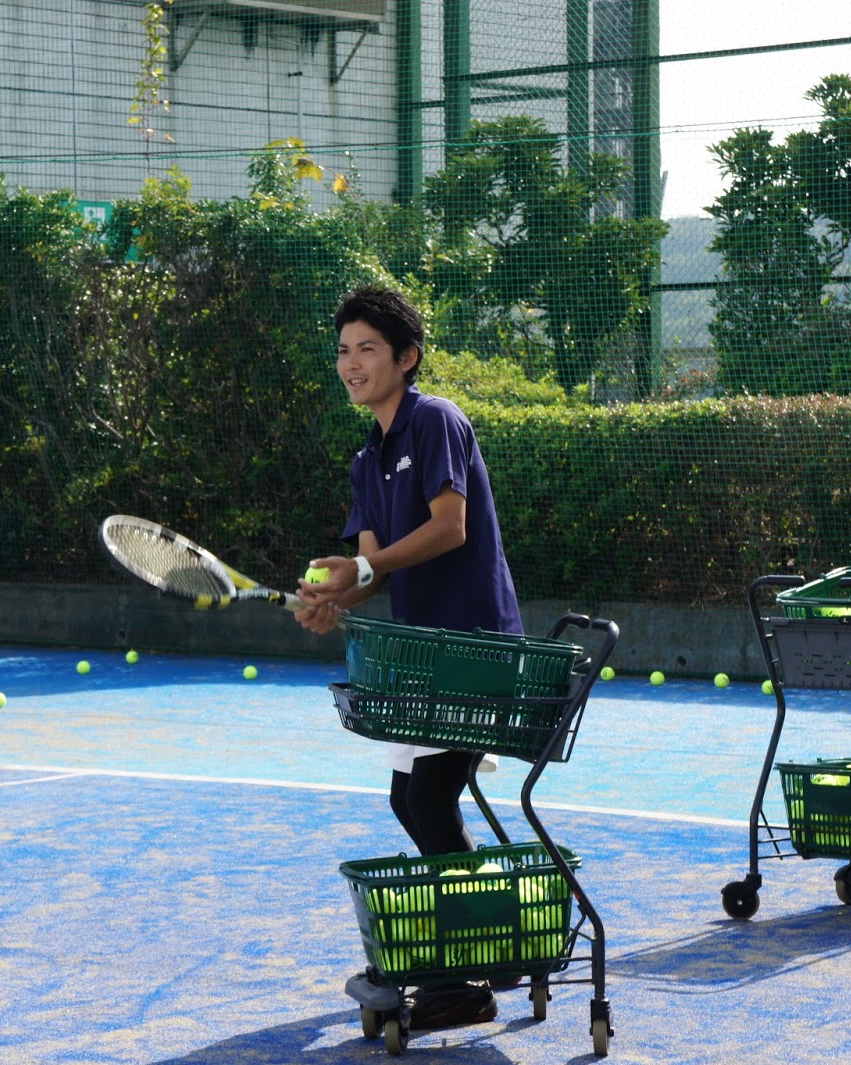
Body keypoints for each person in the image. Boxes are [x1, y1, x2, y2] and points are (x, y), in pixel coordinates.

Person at [297, 283, 523, 1028]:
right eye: (342, 350)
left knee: (427, 797)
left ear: (406, 356)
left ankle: (466, 977)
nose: (351, 363)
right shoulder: (368, 458)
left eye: (367, 348)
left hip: (473, 649)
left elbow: (450, 526)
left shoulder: (436, 421)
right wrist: (333, 597)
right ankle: (473, 950)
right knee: (411, 798)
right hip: (423, 658)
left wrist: (361, 571)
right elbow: (375, 567)